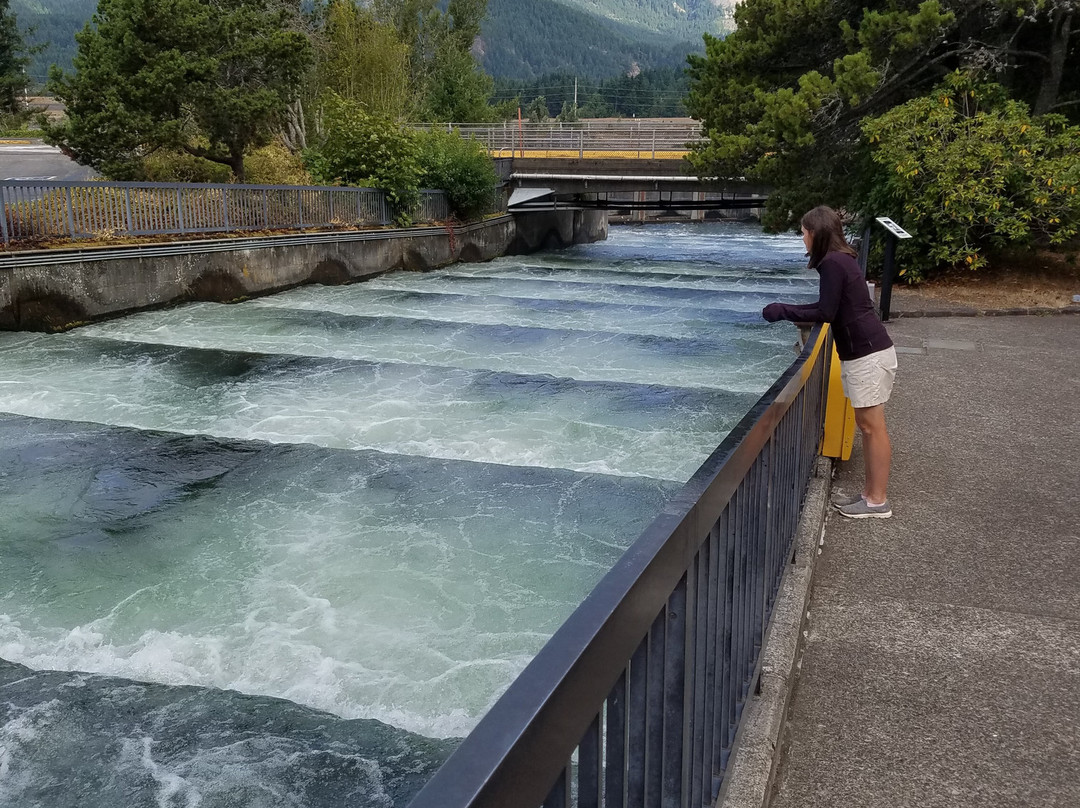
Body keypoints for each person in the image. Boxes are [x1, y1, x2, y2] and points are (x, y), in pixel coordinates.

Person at [762, 206, 897, 519]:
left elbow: (826, 313)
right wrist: (788, 309)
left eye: (803, 232)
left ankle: (877, 501)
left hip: (868, 354)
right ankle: (870, 495)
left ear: (816, 233)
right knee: (869, 426)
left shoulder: (832, 263)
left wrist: (783, 310)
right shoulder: (840, 260)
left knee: (872, 427)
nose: (802, 238)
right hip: (865, 351)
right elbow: (829, 306)